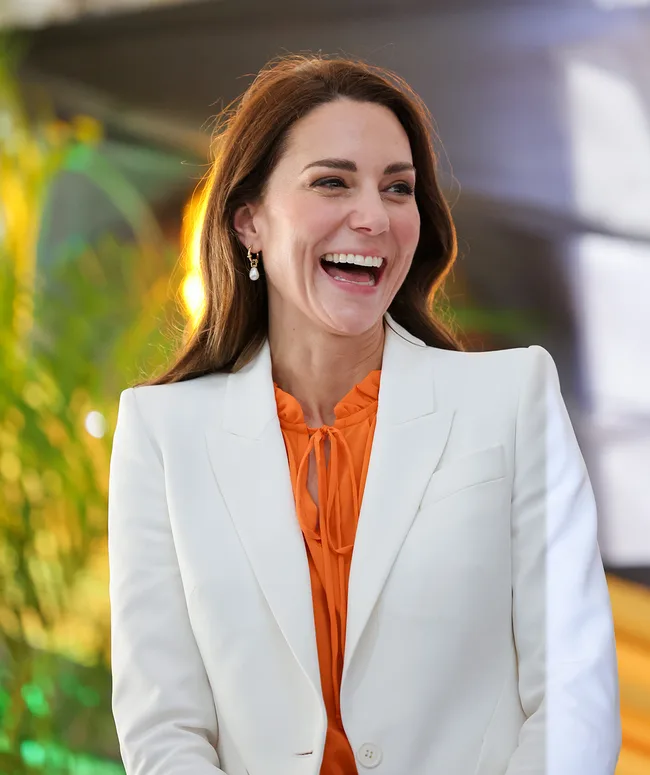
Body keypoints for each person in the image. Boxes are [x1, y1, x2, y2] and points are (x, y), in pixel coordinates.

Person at [108, 54, 621, 775]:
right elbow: (163, 727)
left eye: (398, 188)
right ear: (248, 219)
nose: (373, 217)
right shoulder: (161, 435)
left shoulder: (514, 397)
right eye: (332, 182)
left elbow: (573, 696)